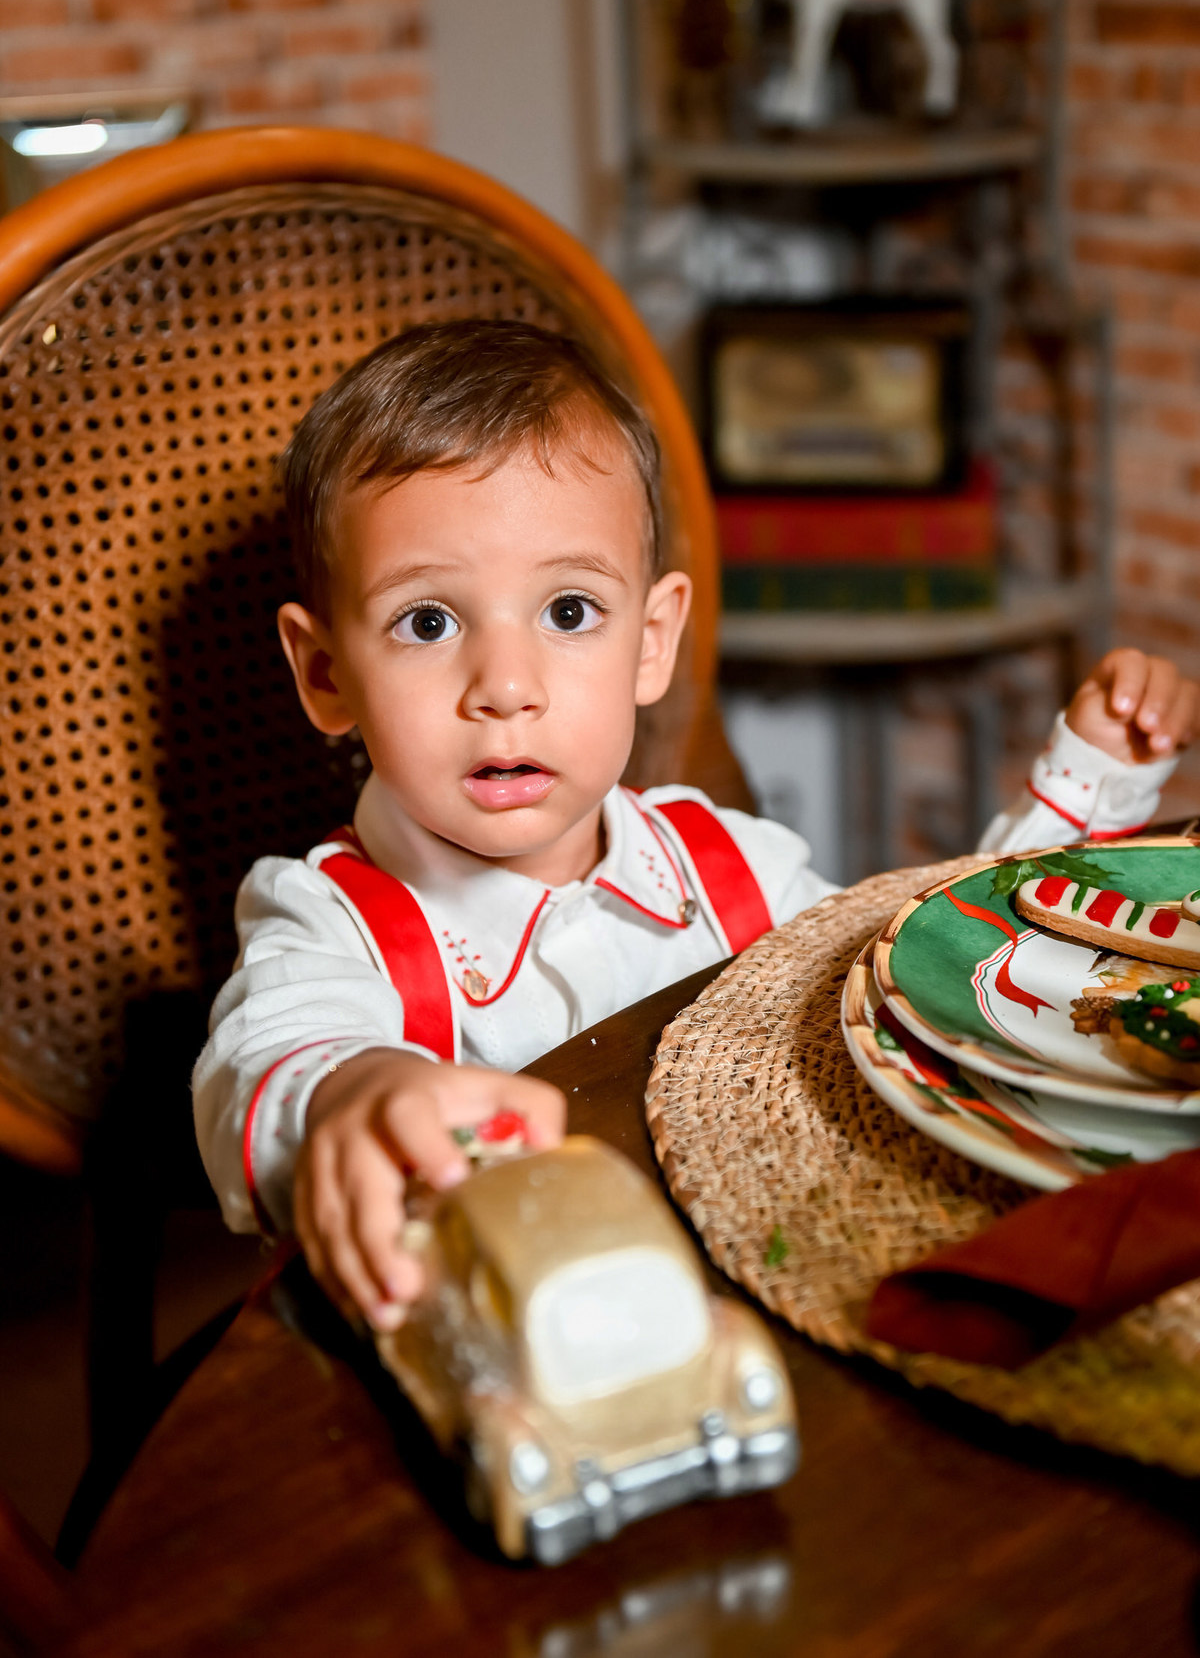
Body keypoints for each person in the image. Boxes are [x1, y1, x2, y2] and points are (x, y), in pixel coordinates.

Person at [193, 320, 1199, 1333]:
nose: (505, 687)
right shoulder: (328, 918)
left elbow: (924, 974)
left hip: (767, 1301)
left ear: (651, 641)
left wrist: (1088, 787)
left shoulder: (728, 865)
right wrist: (353, 1095)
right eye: (428, 621)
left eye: (569, 611)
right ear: (325, 671)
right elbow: (267, 1060)